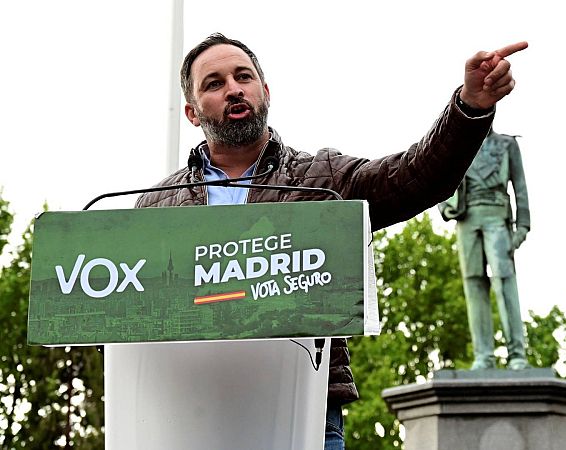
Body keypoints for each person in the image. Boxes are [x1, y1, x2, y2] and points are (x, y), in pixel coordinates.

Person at [135, 33, 527, 449]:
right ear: (192, 112)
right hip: (184, 418)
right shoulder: (155, 206)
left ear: (264, 92)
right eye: (214, 83)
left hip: (303, 414)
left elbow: (417, 176)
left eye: (243, 77)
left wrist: (469, 109)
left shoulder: (320, 180)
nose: (233, 89)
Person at [438, 128, 530, 370]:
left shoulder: (507, 144)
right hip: (467, 219)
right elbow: (440, 177)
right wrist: (444, 207)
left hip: (497, 216)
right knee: (474, 284)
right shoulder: (457, 144)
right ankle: (484, 356)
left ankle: (517, 354)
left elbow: (520, 186)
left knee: (504, 281)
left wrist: (522, 226)